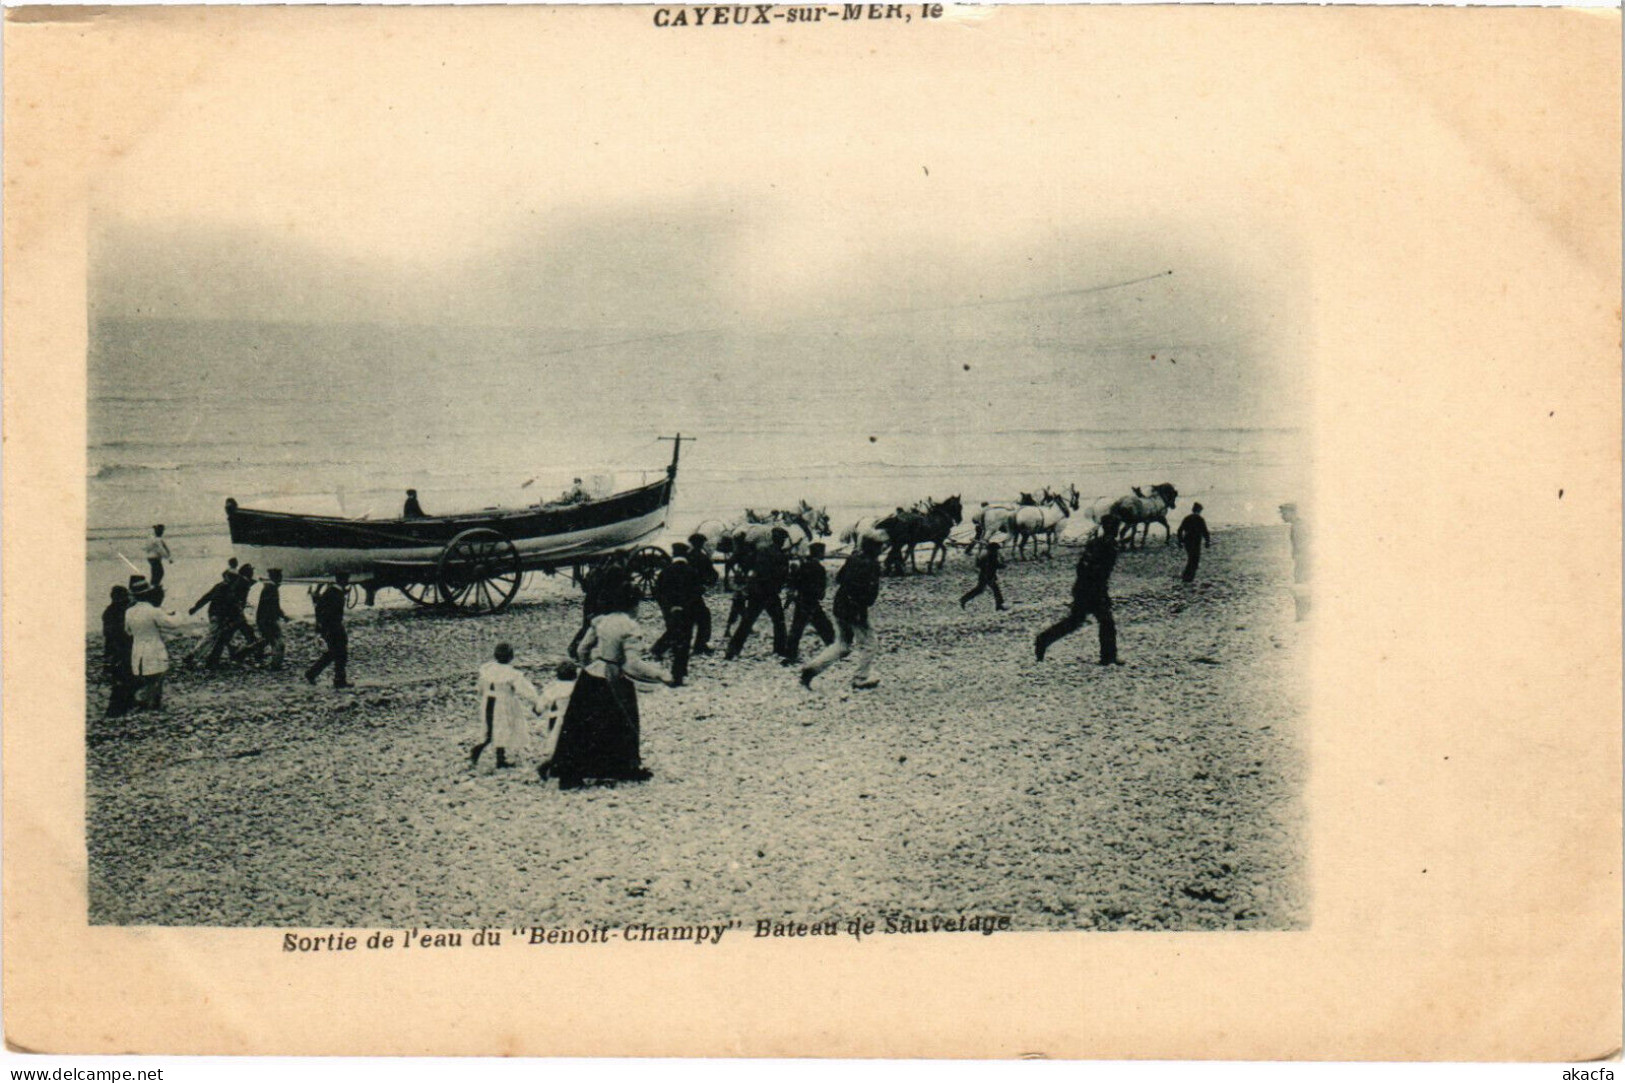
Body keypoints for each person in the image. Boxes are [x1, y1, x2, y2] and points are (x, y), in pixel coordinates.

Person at [548, 581, 673, 789]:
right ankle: (620, 767)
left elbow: (582, 650)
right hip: (614, 677)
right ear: (633, 604)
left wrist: (591, 666)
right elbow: (633, 663)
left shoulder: (601, 621)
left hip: (592, 675)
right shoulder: (630, 627)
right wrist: (660, 675)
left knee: (583, 725)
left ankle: (571, 771)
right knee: (621, 723)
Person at [1034, 513, 1123, 666]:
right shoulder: (1106, 545)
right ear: (1109, 527)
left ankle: (1043, 639)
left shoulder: (1097, 543)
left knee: (1077, 621)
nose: (1116, 530)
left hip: (1085, 588)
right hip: (1092, 590)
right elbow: (1093, 569)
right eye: (1115, 527)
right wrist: (1098, 591)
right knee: (1105, 622)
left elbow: (1084, 567)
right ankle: (1108, 657)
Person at [800, 535, 883, 689]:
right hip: (855, 609)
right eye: (880, 546)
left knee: (842, 645)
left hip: (840, 606)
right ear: (875, 549)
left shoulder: (853, 558)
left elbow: (839, 578)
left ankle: (811, 669)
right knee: (870, 644)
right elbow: (870, 596)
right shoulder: (872, 565)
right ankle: (860, 678)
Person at [470, 642, 545, 770]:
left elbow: (480, 687)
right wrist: (536, 702)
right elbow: (526, 690)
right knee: (503, 728)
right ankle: (498, 757)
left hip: (488, 700)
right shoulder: (512, 674)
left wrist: (481, 697)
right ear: (511, 656)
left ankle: (489, 752)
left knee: (491, 728)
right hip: (503, 703)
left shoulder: (487, 669)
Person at [724, 528, 791, 661]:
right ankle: (780, 649)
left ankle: (732, 650)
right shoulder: (782, 556)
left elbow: (749, 566)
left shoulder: (761, 551)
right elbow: (783, 576)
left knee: (747, 622)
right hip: (771, 593)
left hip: (757, 592)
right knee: (779, 621)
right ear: (782, 540)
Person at [125, 585, 185, 710]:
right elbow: (172, 624)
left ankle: (147, 701)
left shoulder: (129, 611)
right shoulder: (153, 611)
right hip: (154, 647)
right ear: (147, 594)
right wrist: (177, 614)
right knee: (158, 675)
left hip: (138, 646)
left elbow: (128, 631)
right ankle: (151, 702)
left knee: (145, 675)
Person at [188, 569, 259, 669]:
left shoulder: (221, 586)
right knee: (215, 636)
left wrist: (195, 608)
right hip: (220, 616)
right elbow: (230, 604)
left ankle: (228, 654)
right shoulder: (227, 588)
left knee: (221, 636)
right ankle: (195, 656)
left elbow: (206, 597)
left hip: (216, 614)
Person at [649, 542, 698, 686]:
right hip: (687, 611)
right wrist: (686, 606)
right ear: (686, 555)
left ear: (673, 555)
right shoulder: (691, 571)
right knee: (685, 641)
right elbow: (696, 593)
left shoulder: (666, 571)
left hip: (670, 610)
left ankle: (660, 652)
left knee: (674, 634)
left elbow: (658, 591)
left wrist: (668, 607)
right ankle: (680, 672)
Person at [783, 542, 835, 665]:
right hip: (812, 601)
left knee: (797, 628)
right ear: (820, 553)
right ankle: (834, 648)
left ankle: (790, 655)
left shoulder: (803, 566)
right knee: (824, 626)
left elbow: (794, 582)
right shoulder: (819, 568)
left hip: (801, 600)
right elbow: (821, 590)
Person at [569, 557, 632, 658]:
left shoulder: (597, 572)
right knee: (590, 627)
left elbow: (587, 587)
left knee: (588, 626)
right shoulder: (610, 571)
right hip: (594, 603)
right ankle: (575, 649)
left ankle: (576, 649)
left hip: (591, 601)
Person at [305, 573, 352, 688]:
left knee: (333, 653)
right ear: (343, 581)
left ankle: (312, 673)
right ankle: (339, 680)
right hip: (334, 628)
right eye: (346, 579)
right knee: (340, 653)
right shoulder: (335, 594)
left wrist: (321, 627)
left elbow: (319, 608)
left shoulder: (331, 592)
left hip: (330, 628)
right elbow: (331, 613)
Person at [240, 568, 290, 668]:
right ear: (276, 577)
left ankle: (241, 654)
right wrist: (282, 616)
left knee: (266, 641)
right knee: (278, 642)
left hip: (265, 620)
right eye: (280, 576)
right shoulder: (272, 588)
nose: (281, 579)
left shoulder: (269, 587)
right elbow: (273, 607)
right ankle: (276, 665)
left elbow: (269, 606)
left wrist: (281, 615)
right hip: (269, 620)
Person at [536, 661, 578, 773]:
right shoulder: (576, 687)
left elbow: (541, 704)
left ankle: (551, 764)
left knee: (554, 741)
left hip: (554, 717)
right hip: (572, 719)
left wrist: (538, 710)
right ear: (574, 674)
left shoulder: (552, 687)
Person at [101, 585, 135, 718]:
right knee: (125, 678)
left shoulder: (109, 611)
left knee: (120, 679)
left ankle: (120, 707)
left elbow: (107, 634)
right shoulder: (123, 611)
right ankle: (118, 709)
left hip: (114, 649)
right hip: (122, 649)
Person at [686, 533, 718, 655]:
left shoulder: (687, 556)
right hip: (695, 594)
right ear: (701, 544)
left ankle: (666, 647)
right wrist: (707, 583)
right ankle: (700, 645)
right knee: (704, 618)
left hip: (683, 594)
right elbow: (713, 574)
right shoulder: (702, 557)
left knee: (683, 621)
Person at [960, 540, 1008, 611]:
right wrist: (1003, 565)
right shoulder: (992, 556)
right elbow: (994, 565)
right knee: (995, 590)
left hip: (984, 575)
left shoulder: (985, 555)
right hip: (988, 576)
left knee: (980, 590)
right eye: (996, 550)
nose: (997, 551)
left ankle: (964, 599)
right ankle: (999, 605)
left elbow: (978, 565)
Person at [1176, 502, 1212, 583]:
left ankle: (1186, 577)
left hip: (1187, 541)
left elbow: (1179, 530)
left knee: (1191, 558)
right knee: (1194, 559)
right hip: (1196, 542)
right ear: (1199, 510)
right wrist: (1207, 541)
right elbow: (1205, 531)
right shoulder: (1200, 519)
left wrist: (1180, 541)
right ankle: (1188, 577)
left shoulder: (1187, 518)